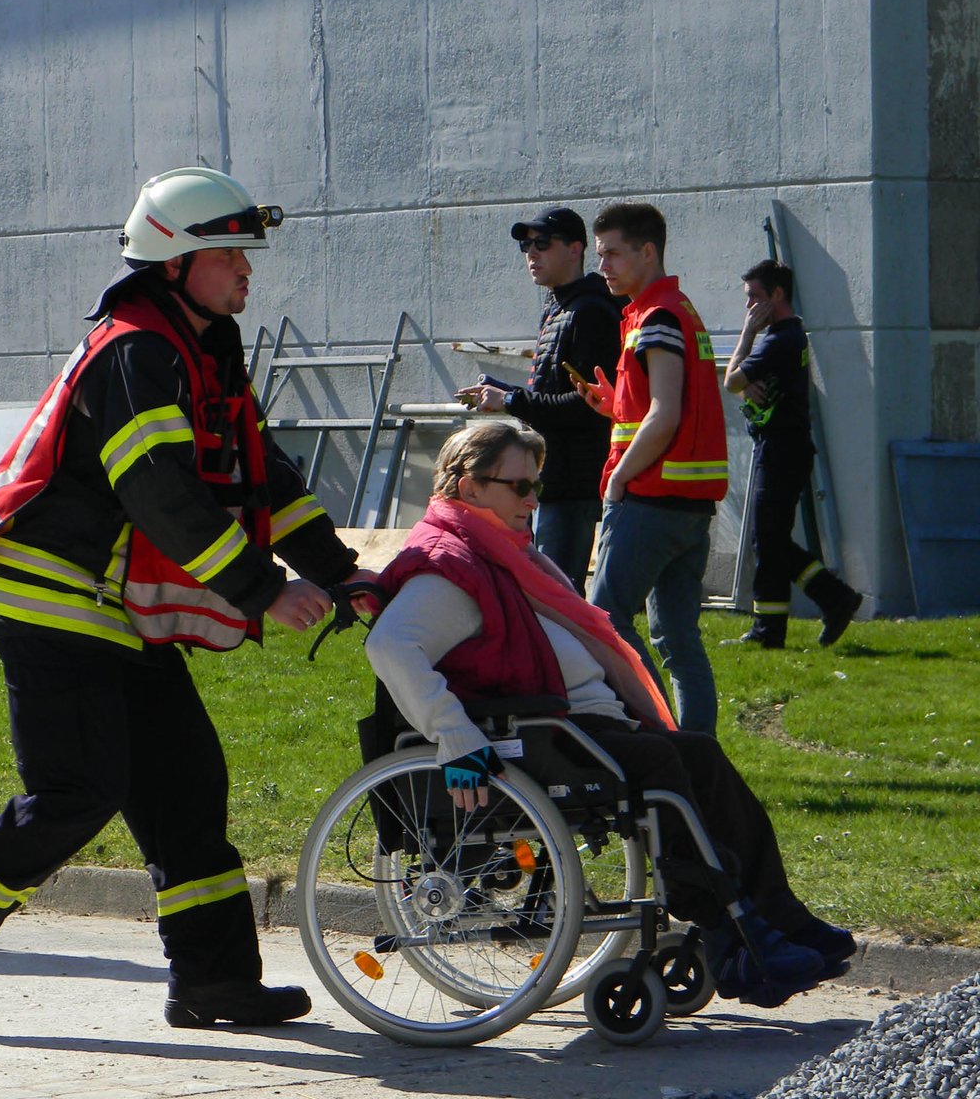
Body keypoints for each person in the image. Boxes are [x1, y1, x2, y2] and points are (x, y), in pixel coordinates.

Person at [0, 167, 375, 1037]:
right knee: (76, 791)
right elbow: (161, 494)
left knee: (185, 782)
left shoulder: (201, 347)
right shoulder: (138, 353)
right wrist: (264, 591)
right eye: (229, 254)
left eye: (245, 254)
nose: (246, 270)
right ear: (175, 262)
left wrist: (338, 571)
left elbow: (265, 482)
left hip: (116, 610)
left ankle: (214, 983)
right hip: (51, 605)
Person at [364, 421, 855, 1008]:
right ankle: (729, 930)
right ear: (470, 489)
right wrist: (456, 736)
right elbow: (391, 647)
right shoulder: (448, 564)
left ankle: (778, 915)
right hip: (536, 737)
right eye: (519, 487)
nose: (532, 500)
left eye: (536, 487)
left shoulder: (503, 557)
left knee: (699, 752)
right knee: (661, 760)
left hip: (574, 727)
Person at [574, 202, 727, 735]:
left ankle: (664, 744)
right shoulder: (673, 309)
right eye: (600, 256)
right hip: (688, 508)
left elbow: (665, 414)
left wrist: (617, 481)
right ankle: (698, 755)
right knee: (679, 641)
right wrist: (615, 404)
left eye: (613, 254)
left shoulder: (657, 316)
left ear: (648, 251)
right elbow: (658, 408)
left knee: (607, 622)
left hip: (650, 502)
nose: (604, 266)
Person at [455, 207, 621, 593]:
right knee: (538, 592)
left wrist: (510, 400)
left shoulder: (590, 311)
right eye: (526, 245)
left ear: (575, 249)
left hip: (572, 483)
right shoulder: (559, 306)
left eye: (542, 243)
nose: (532, 253)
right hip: (549, 479)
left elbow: (588, 407)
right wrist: (499, 391)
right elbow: (552, 393)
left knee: (557, 596)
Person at [723, 259, 862, 649]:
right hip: (785, 448)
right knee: (769, 541)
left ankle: (834, 598)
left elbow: (732, 379)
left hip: (783, 450)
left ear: (777, 295)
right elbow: (746, 383)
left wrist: (748, 335)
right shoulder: (789, 335)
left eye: (754, 297)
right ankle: (772, 630)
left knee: (768, 540)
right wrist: (750, 381)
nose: (749, 307)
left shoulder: (777, 338)